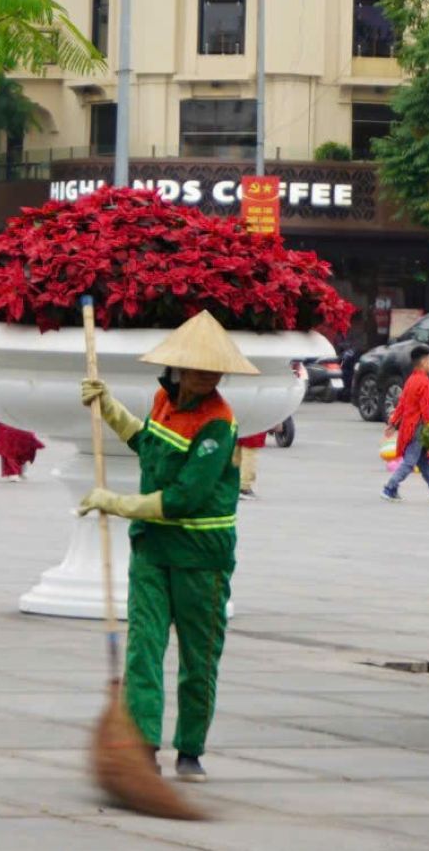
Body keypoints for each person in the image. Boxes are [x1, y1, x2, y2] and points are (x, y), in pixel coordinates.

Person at [77, 310, 255, 783]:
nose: (206, 376)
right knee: (143, 649)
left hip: (202, 557)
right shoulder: (162, 400)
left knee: (198, 660)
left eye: (213, 369)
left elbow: (183, 499)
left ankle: (190, 751)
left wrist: (115, 502)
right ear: (177, 367)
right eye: (197, 367)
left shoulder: (219, 423)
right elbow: (150, 446)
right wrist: (110, 408)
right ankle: (141, 746)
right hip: (152, 550)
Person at [381, 345, 429, 504]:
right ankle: (390, 488)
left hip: (408, 427)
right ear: (425, 362)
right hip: (419, 428)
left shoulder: (411, 380)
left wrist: (393, 423)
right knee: (409, 462)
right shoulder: (424, 382)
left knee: (424, 462)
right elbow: (426, 410)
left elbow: (401, 405)